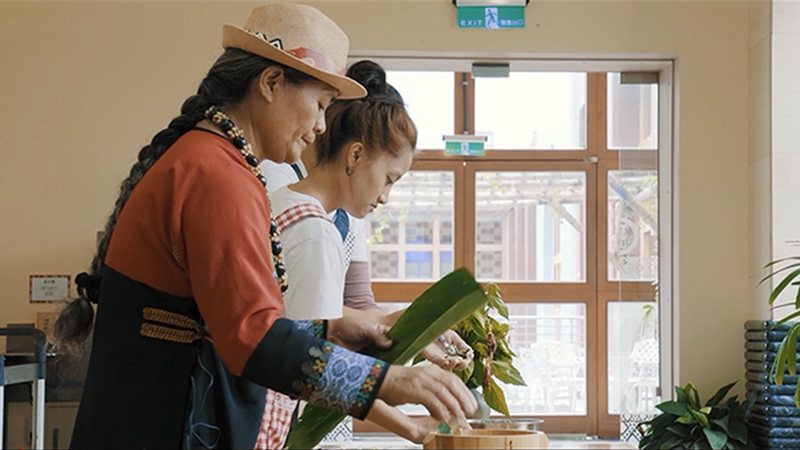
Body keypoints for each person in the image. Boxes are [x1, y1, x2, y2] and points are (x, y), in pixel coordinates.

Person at [54, 4, 475, 449]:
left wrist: (332, 329)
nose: (318, 127)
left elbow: (220, 322)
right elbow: (252, 338)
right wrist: (385, 381)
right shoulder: (218, 174)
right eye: (318, 104)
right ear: (271, 83)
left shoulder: (212, 160)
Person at [259, 60, 474, 446]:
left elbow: (311, 328)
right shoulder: (314, 231)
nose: (385, 197)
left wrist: (398, 325)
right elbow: (312, 363)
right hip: (263, 423)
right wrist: (408, 426)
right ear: (355, 156)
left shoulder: (285, 204)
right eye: (389, 179)